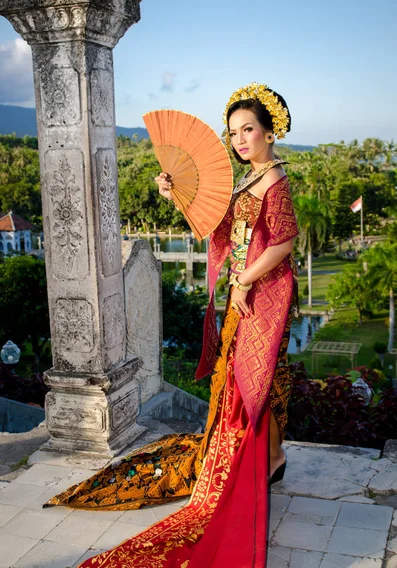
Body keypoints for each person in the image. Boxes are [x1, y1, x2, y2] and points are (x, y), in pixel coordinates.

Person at [44, 82, 299, 567]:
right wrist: (177, 195)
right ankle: (272, 458)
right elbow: (218, 228)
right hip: (244, 294)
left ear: (270, 131)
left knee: (256, 381)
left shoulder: (276, 182)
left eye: (249, 130)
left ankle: (268, 458)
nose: (241, 140)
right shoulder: (248, 180)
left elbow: (284, 242)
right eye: (234, 133)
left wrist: (243, 281)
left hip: (265, 296)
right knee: (253, 381)